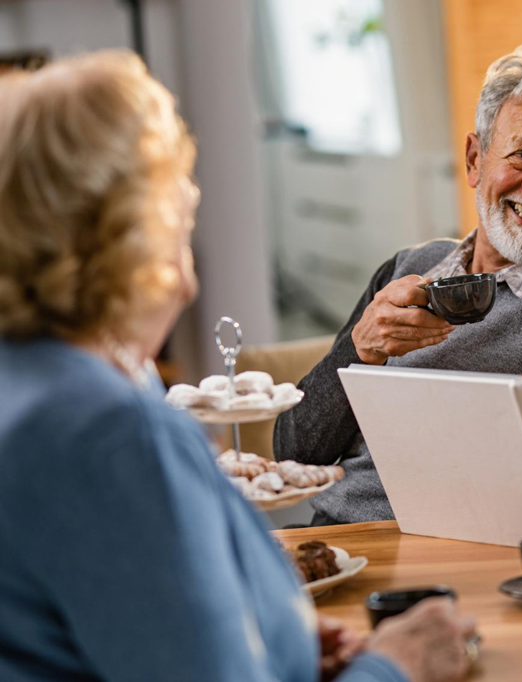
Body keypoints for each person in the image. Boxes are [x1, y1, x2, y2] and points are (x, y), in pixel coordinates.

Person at [0, 51, 476, 682]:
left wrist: (280, 644)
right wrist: (394, 667)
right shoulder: (113, 433)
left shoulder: (32, 378)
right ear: (136, 232)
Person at [274, 42, 522, 526]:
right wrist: (359, 350)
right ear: (475, 160)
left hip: (460, 558)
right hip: (336, 543)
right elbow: (295, 454)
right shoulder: (407, 268)